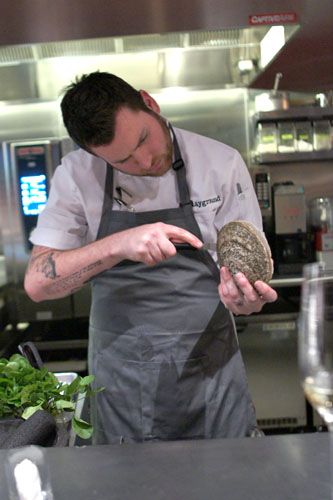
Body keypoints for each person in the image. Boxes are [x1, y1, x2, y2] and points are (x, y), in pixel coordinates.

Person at [24, 71, 277, 444]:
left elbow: (246, 287)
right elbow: (38, 284)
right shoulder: (77, 175)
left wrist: (243, 300)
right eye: (122, 160)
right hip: (121, 389)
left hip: (213, 380)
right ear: (95, 155)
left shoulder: (220, 163)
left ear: (150, 103)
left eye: (144, 138)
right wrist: (119, 244)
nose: (145, 161)